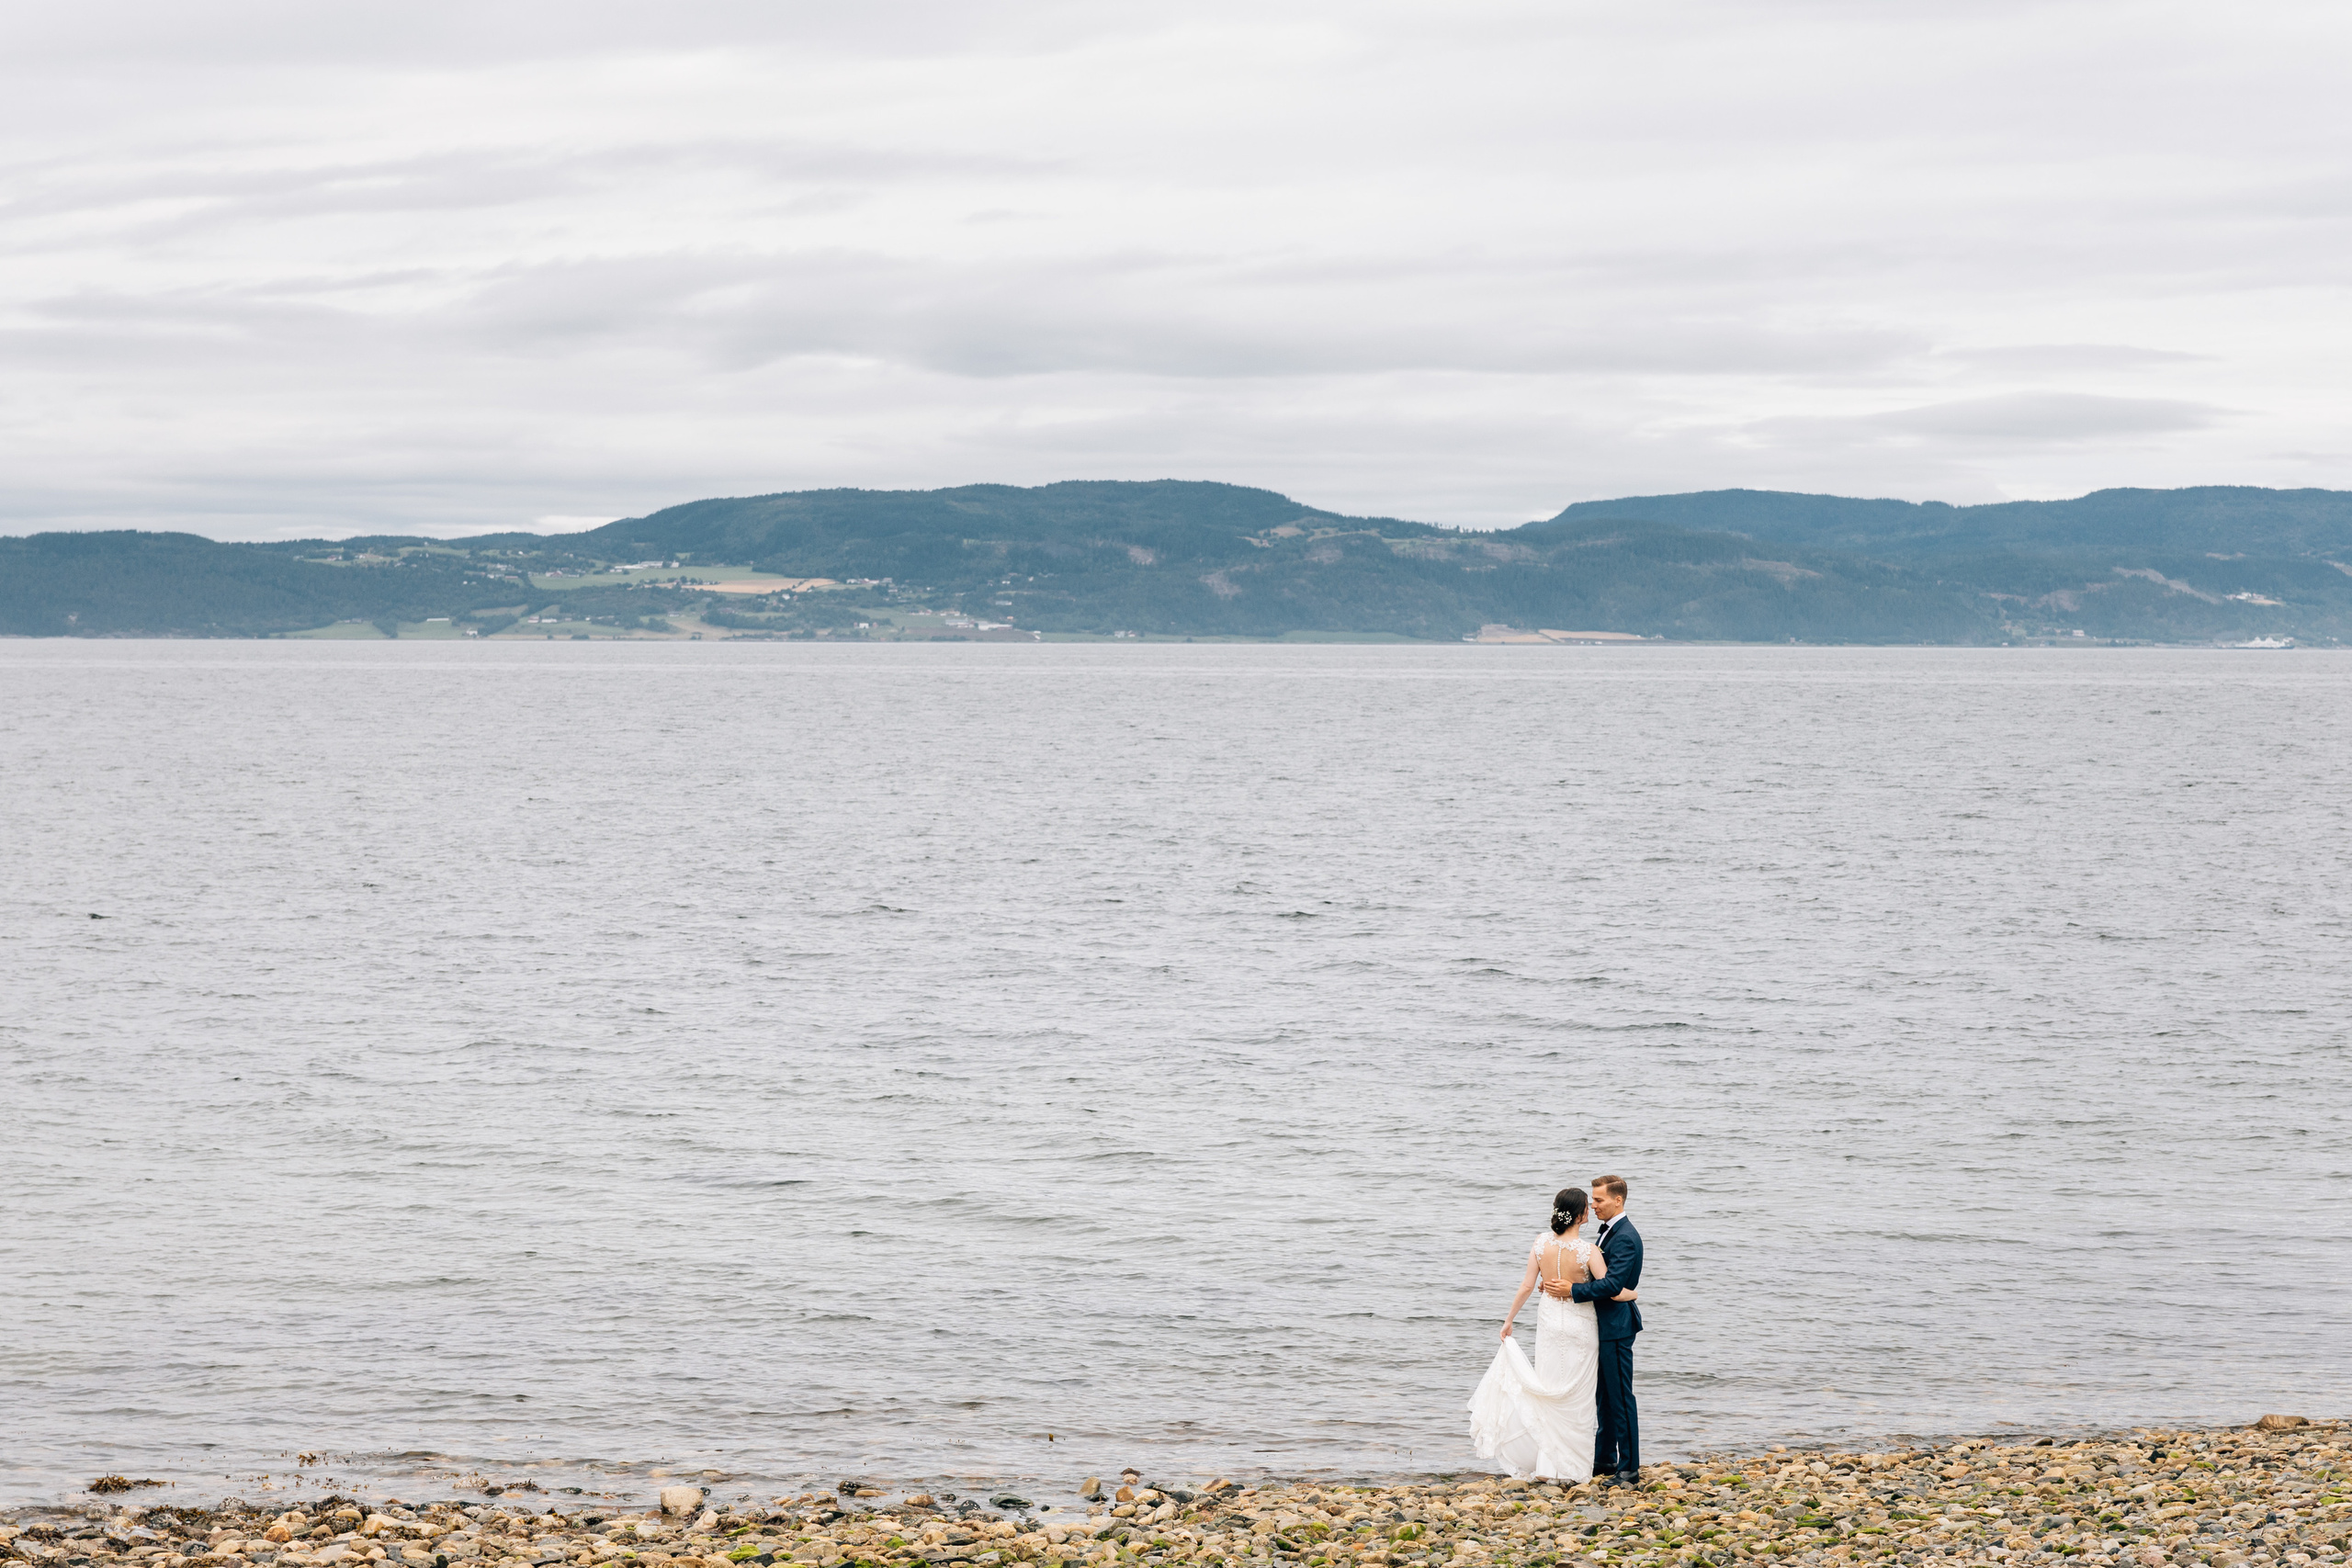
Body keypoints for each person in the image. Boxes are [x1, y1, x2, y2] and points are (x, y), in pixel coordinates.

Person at [1466, 1187, 1636, 1482]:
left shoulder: (1540, 1243)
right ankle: (1574, 1465)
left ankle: (1547, 1467)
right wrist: (1633, 1293)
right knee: (1578, 1394)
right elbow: (1611, 1289)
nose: (1592, 1208)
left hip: (1548, 1322)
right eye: (1589, 1205)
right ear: (1582, 1216)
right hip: (1579, 1326)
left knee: (1549, 1387)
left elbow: (1526, 1286)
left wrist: (1508, 1321)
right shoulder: (1589, 1251)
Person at [1542, 1173, 1642, 1485]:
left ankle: (1628, 1469)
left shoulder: (1625, 1236)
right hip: (1599, 1324)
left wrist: (1571, 1290)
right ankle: (1603, 1458)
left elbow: (1613, 1284)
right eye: (1592, 1200)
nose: (1593, 1206)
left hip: (1616, 1325)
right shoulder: (1608, 1232)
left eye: (1598, 1200)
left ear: (1618, 1200)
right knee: (1603, 1397)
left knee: (1621, 1398)